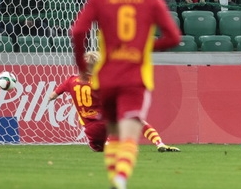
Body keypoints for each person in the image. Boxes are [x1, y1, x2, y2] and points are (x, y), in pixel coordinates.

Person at [71, 0, 181, 189]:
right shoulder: (150, 0)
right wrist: (143, 48)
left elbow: (77, 32)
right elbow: (174, 37)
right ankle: (121, 180)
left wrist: (82, 67)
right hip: (134, 79)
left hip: (106, 79)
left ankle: (115, 184)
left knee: (113, 136)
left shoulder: (99, 0)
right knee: (129, 136)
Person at [49, 51, 181, 152]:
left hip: (90, 131)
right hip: (106, 123)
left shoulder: (70, 80)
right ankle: (159, 143)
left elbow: (52, 96)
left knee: (98, 147)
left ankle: (111, 144)